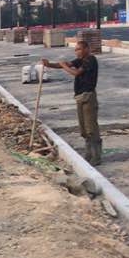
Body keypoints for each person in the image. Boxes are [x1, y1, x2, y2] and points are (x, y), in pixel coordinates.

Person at [42, 37, 102, 166]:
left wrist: (64, 66)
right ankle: (89, 154)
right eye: (76, 50)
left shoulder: (90, 60)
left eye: (79, 49)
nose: (77, 52)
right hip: (80, 96)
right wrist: (49, 64)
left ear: (86, 49)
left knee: (91, 128)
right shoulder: (80, 60)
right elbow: (65, 65)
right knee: (84, 129)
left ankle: (96, 156)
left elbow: (76, 73)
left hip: (88, 97)